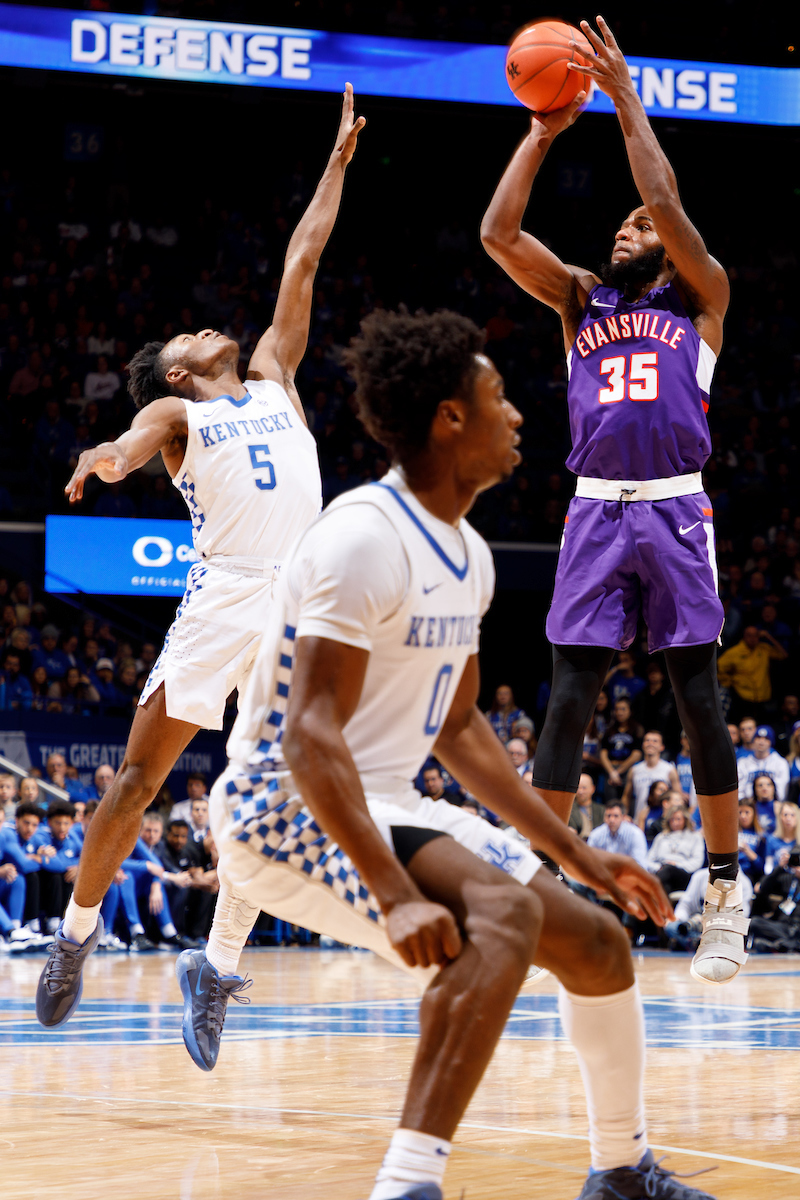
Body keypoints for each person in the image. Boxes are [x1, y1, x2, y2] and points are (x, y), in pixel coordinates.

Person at [181, 308, 696, 1200]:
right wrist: (392, 893)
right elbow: (310, 735)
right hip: (281, 803)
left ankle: (620, 1170)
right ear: (451, 418)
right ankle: (407, 1183)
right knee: (503, 920)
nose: (519, 414)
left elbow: (458, 729)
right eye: (499, 398)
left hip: (383, 798)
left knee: (598, 943)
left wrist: (577, 855)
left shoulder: (468, 554)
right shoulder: (362, 535)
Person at [36, 86, 366, 1025]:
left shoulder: (275, 375)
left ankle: (215, 966)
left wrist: (336, 164)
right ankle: (74, 937)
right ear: (180, 369)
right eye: (189, 335)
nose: (207, 326)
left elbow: (304, 256)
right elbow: (129, 444)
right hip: (224, 597)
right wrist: (104, 460)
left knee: (278, 788)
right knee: (139, 780)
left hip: (301, 603)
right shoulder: (177, 410)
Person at [481, 15, 748, 985]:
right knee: (565, 701)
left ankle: (724, 895)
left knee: (696, 700)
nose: (625, 230)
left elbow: (664, 199)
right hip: (595, 510)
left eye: (636, 229)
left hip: (675, 509)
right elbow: (497, 234)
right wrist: (539, 134)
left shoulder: (700, 298)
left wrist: (627, 101)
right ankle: (539, 894)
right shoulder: (579, 301)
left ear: (667, 249)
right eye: (621, 227)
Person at [717, 626, 788, 722]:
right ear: (744, 636)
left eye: (755, 635)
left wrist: (769, 637)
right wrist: (729, 682)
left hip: (763, 698)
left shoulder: (764, 649)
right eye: (749, 635)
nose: (752, 638)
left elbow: (783, 655)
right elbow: (719, 666)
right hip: (743, 698)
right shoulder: (734, 652)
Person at [622, 730, 681, 820]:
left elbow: (678, 797)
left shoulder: (669, 770)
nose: (650, 743)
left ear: (662, 747)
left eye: (655, 741)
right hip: (639, 819)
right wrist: (623, 815)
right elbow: (626, 796)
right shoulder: (634, 770)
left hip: (662, 821)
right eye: (647, 740)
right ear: (643, 745)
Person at [646, 807, 705, 896]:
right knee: (666, 885)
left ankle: (648, 895)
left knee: (669, 869)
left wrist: (676, 865)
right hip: (661, 870)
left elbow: (697, 862)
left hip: (683, 873)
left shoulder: (695, 837)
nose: (675, 823)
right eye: (672, 819)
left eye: (678, 819)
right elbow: (649, 860)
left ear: (685, 820)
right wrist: (659, 867)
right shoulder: (661, 837)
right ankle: (664, 904)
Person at [598, 698, 642, 802]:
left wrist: (618, 772)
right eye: (617, 709)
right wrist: (612, 772)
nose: (619, 712)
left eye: (623, 709)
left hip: (628, 769)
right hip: (611, 769)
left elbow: (636, 755)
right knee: (610, 802)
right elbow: (603, 754)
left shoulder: (637, 729)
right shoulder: (609, 730)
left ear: (630, 711)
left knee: (627, 801)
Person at [587, 803, 649, 871]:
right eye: (608, 816)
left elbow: (640, 866)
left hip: (627, 874)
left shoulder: (635, 834)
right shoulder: (596, 834)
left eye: (616, 816)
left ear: (623, 817)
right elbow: (588, 861)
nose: (611, 820)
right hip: (603, 873)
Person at [737, 725, 790, 803]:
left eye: (766, 739)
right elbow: (739, 790)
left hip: (774, 805)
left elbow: (782, 793)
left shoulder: (780, 763)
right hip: (749, 805)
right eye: (758, 738)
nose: (761, 742)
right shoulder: (742, 763)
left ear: (771, 743)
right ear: (753, 741)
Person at [568, 773, 605, 840]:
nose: (580, 791)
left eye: (584, 788)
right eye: (578, 788)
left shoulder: (601, 810)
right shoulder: (569, 810)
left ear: (593, 789)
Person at [737, 801, 766, 886]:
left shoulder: (761, 836)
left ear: (754, 814)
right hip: (732, 872)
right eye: (740, 812)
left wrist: (747, 851)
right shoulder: (731, 832)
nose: (743, 816)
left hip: (750, 874)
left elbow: (762, 866)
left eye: (747, 812)